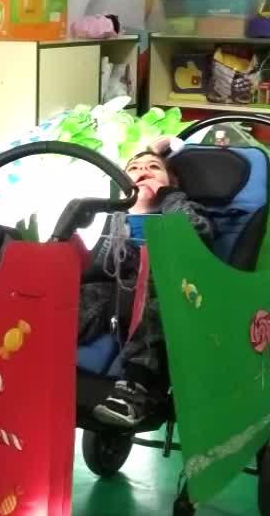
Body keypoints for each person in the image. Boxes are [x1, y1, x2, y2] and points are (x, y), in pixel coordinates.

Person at [85, 143, 216, 428]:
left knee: (162, 292)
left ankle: (136, 387)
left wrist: (169, 197)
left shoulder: (182, 210)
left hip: (164, 291)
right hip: (113, 294)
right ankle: (35, 358)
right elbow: (97, 268)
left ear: (173, 183)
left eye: (154, 167)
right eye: (134, 168)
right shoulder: (114, 220)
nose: (143, 170)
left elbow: (198, 236)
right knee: (76, 292)